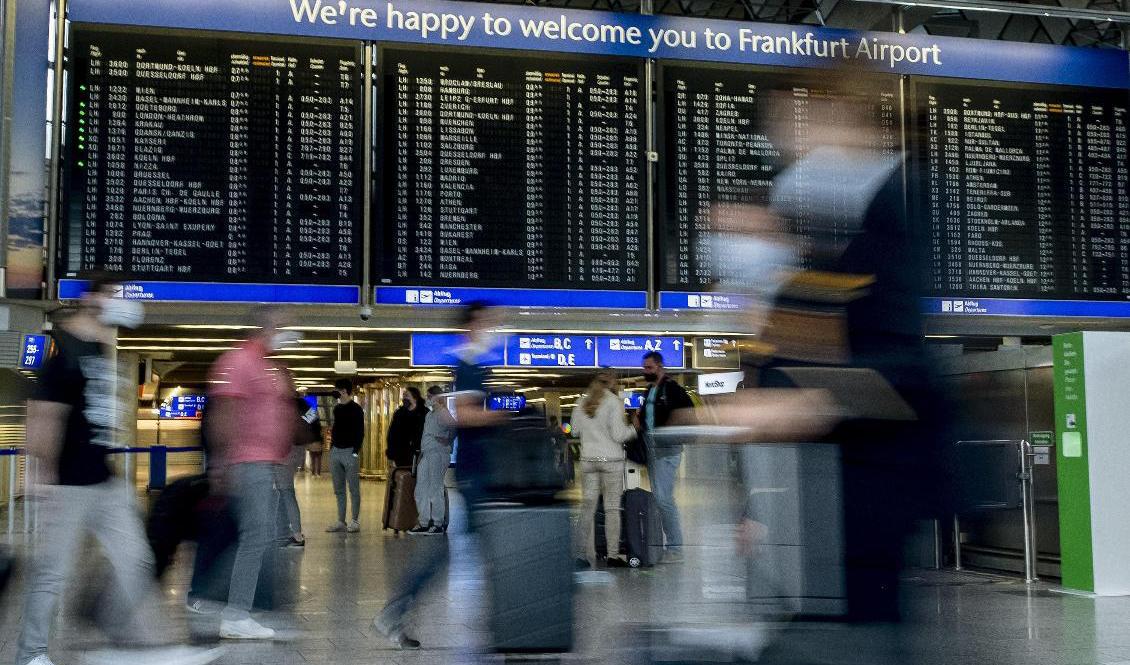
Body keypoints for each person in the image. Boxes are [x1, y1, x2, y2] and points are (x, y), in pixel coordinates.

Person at [17, 275, 222, 665]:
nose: (119, 303)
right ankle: (31, 654)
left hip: (105, 480)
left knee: (136, 561)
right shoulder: (64, 350)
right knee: (52, 572)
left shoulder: (99, 347)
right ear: (92, 298)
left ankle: (147, 642)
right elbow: (43, 415)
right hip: (68, 482)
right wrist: (38, 472)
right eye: (113, 295)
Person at [372, 301, 506, 649]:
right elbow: (462, 415)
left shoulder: (475, 366)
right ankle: (397, 611)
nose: (495, 329)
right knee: (453, 552)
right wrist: (505, 418)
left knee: (475, 548)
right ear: (473, 326)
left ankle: (497, 620)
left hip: (482, 472)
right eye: (490, 322)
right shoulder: (468, 365)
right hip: (476, 473)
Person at [205, 305, 301, 640]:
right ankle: (230, 610)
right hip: (247, 461)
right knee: (256, 535)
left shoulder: (267, 365)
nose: (291, 332)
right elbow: (225, 411)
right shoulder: (240, 360)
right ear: (267, 326)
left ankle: (222, 604)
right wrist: (221, 460)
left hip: (264, 461)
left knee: (258, 535)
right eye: (284, 325)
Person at [571, 372, 636, 568]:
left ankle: (580, 555)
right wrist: (634, 429)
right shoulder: (614, 402)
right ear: (612, 382)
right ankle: (613, 555)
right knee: (612, 509)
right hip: (611, 461)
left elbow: (574, 430)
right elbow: (618, 434)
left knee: (587, 509)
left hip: (588, 461)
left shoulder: (581, 402)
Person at [636, 350, 694, 564]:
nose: (645, 371)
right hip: (652, 450)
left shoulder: (672, 389)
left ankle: (675, 546)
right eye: (644, 367)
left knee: (663, 499)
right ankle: (668, 544)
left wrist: (670, 429)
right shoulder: (650, 390)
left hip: (667, 450)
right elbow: (647, 418)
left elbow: (688, 413)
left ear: (659, 367)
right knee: (660, 499)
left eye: (649, 367)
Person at [408, 386, 456, 535]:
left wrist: (447, 439)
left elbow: (454, 427)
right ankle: (424, 521)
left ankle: (437, 523)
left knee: (435, 488)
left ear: (437, 397)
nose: (427, 398)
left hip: (438, 453)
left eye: (430, 396)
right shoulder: (430, 415)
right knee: (421, 488)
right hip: (427, 454)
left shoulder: (443, 413)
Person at [277, 396, 318, 548]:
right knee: (284, 491)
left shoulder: (283, 404)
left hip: (286, 451)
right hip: (296, 449)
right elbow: (313, 419)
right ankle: (287, 531)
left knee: (286, 491)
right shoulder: (301, 403)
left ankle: (296, 535)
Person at [327, 379, 364, 534]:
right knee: (339, 488)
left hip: (350, 451)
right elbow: (335, 428)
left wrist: (355, 451)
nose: (336, 393)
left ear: (344, 391)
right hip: (336, 450)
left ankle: (354, 520)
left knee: (353, 488)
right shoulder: (337, 408)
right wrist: (331, 448)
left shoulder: (356, 409)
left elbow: (360, 431)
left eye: (338, 390)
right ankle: (341, 520)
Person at [385, 387, 427, 470]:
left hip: (419, 454)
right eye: (403, 396)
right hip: (401, 455)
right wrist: (391, 454)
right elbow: (391, 434)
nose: (404, 398)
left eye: (407, 396)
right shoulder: (399, 413)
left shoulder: (424, 413)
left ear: (415, 398)